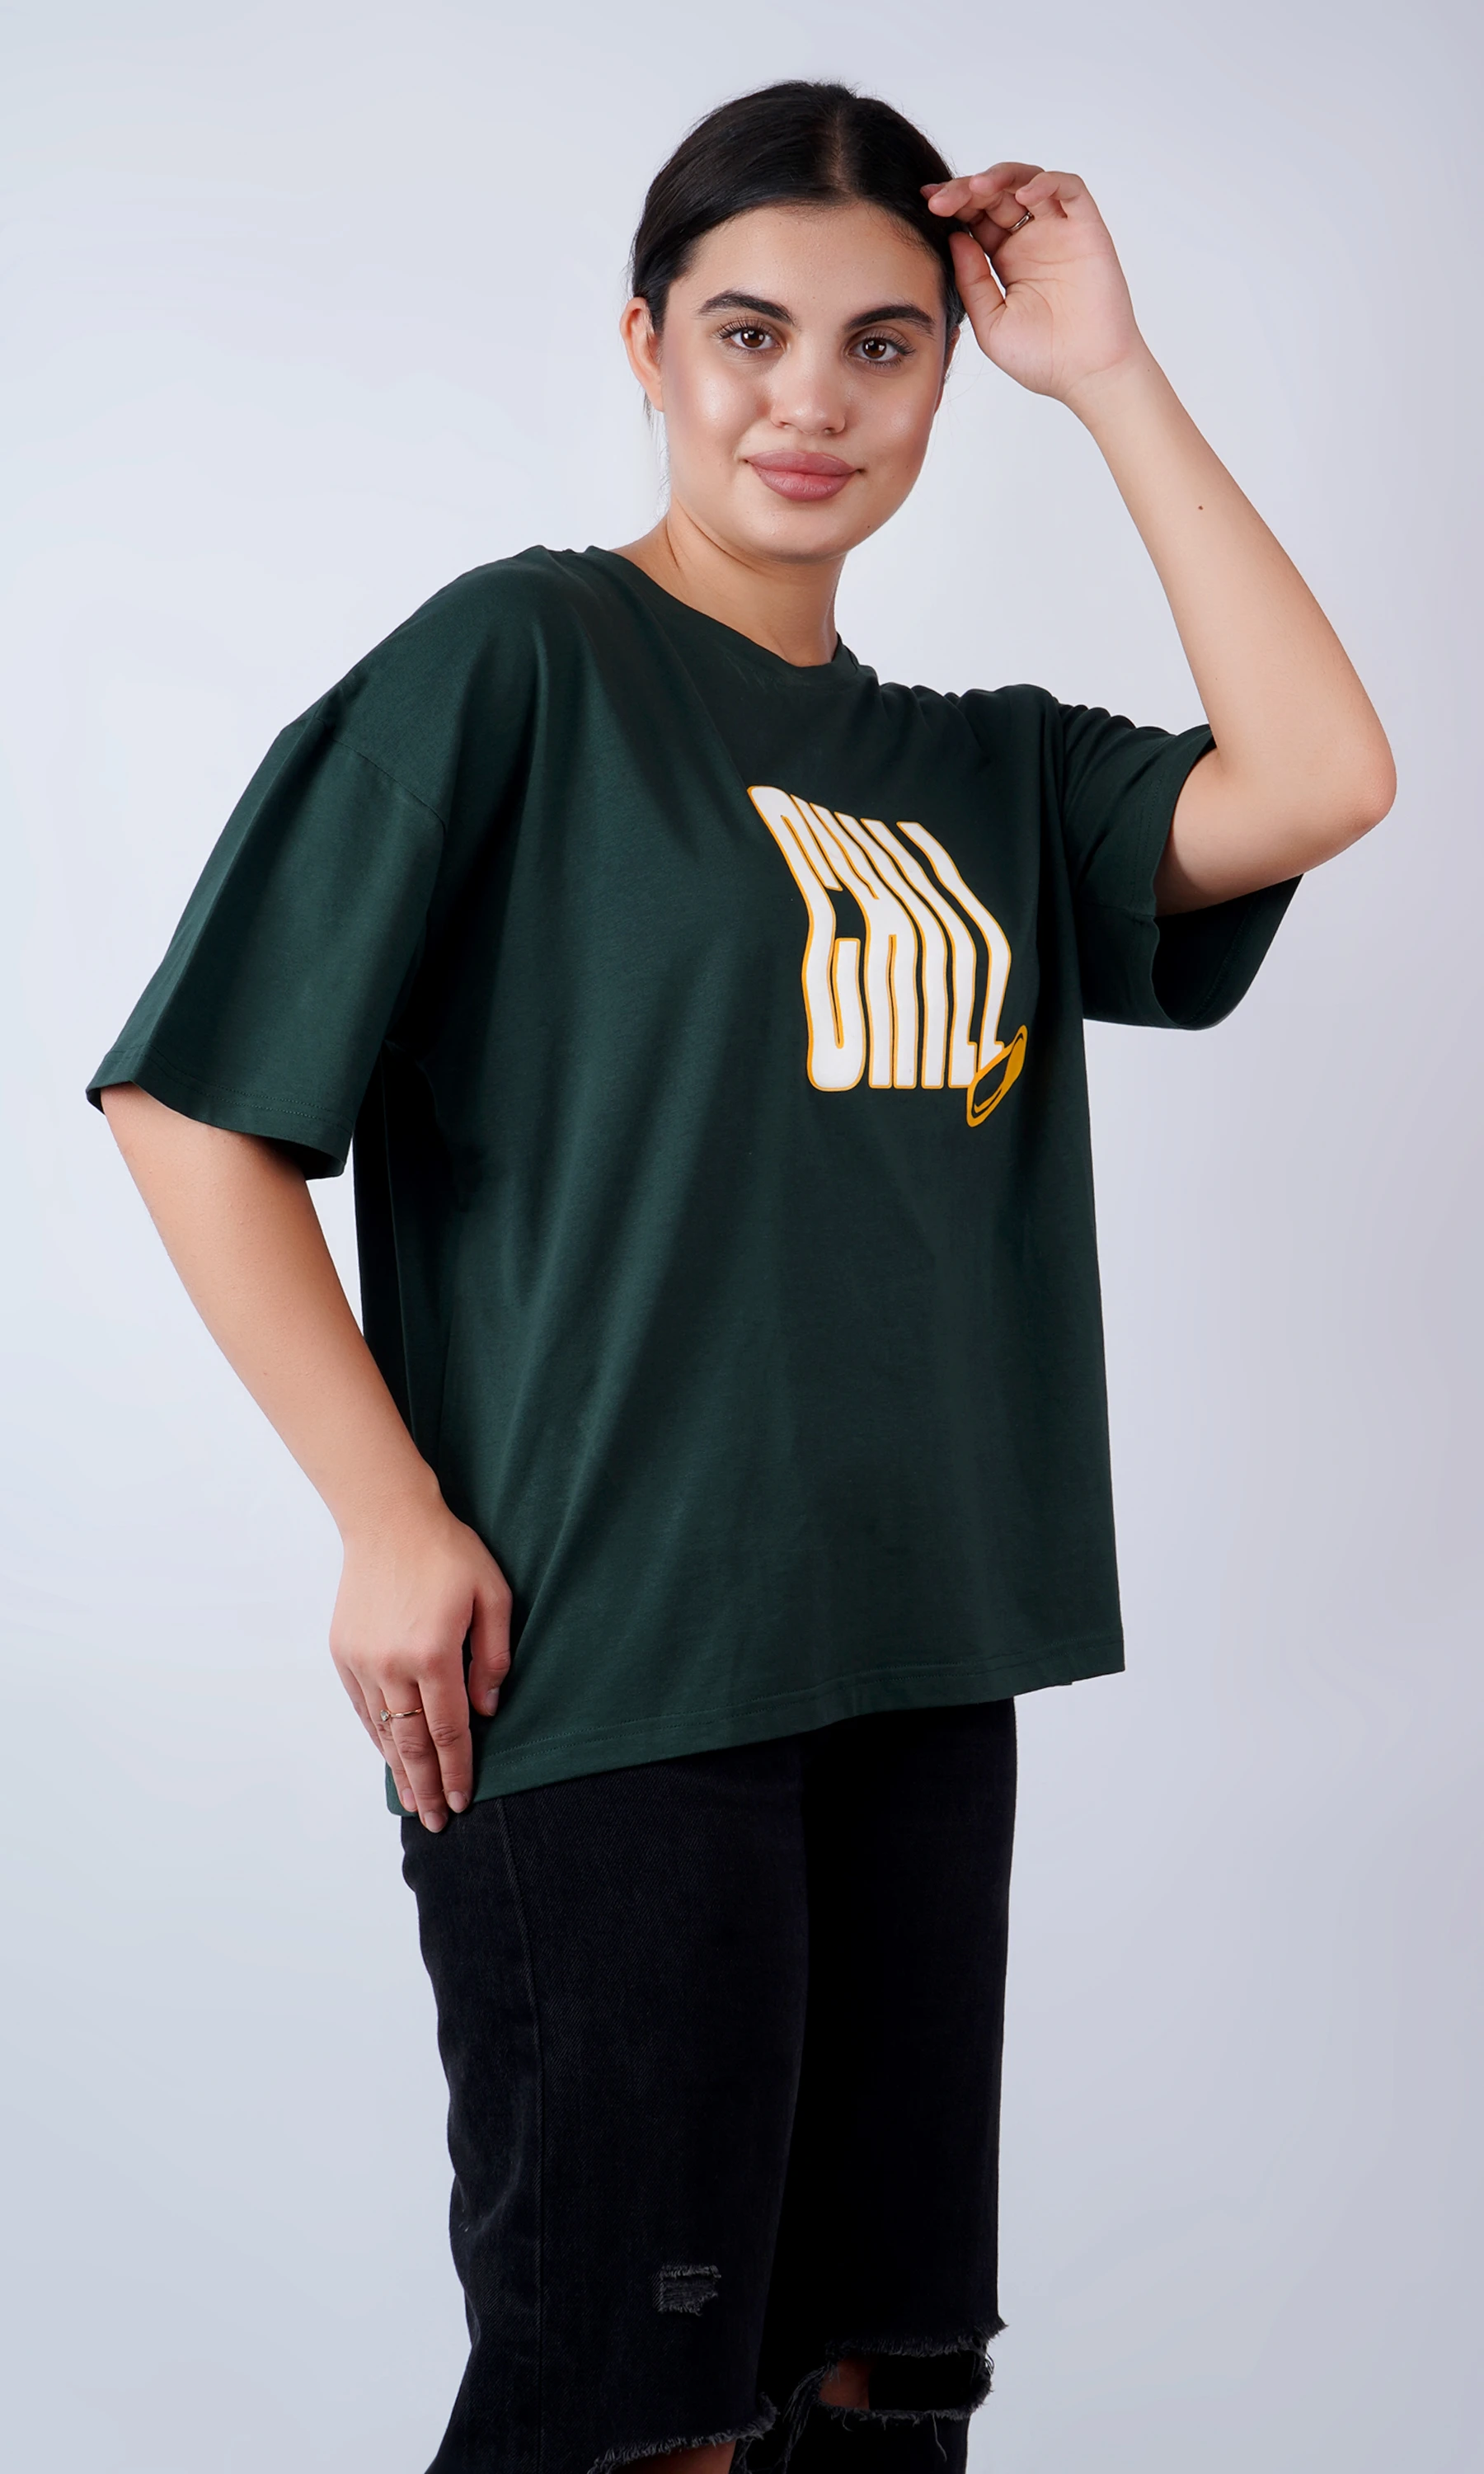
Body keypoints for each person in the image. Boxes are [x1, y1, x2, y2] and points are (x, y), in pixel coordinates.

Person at [89, 78, 1393, 2474]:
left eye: (884, 344)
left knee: (880, 2395)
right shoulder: (523, 661)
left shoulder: (987, 773)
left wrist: (1107, 371)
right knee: (633, 2412)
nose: (812, 400)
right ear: (647, 344)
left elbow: (1321, 776)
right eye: (750, 332)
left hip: (921, 1653)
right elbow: (193, 1106)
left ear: (944, 376)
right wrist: (385, 1513)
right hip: (609, 1663)